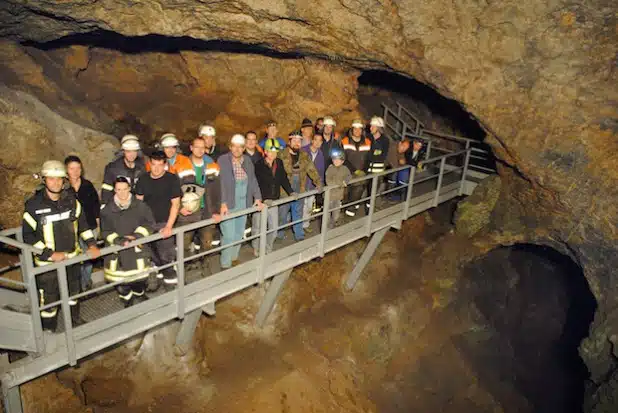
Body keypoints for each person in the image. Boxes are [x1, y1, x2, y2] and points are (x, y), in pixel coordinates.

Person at [22, 160, 100, 331]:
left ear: (64, 180)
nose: (56, 183)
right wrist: (50, 254)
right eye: (51, 179)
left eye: (59, 179)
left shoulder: (72, 202)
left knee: (73, 294)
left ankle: (74, 322)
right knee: (49, 301)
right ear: (44, 180)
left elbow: (84, 226)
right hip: (48, 266)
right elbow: (27, 236)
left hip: (71, 260)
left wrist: (92, 244)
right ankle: (48, 332)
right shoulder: (33, 206)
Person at [100, 177, 155, 307]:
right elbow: (105, 231)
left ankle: (139, 295)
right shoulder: (107, 210)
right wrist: (119, 240)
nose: (122, 193)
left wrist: (136, 236)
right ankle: (128, 301)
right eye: (119, 189)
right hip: (117, 254)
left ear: (130, 188)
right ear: (114, 190)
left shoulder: (141, 206)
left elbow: (150, 224)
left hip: (137, 250)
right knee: (121, 284)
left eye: (125, 189)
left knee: (139, 280)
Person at [135, 150, 182, 290]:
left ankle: (172, 287)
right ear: (149, 164)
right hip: (148, 224)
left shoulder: (171, 179)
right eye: (154, 164)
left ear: (165, 165)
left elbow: (176, 204)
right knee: (152, 255)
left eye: (160, 165)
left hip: (164, 222)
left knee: (166, 256)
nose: (156, 168)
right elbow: (138, 204)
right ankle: (159, 281)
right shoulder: (143, 180)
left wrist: (169, 226)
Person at [218, 134, 263, 269]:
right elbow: (220, 183)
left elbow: (253, 180)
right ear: (230, 147)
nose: (237, 149)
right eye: (234, 146)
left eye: (240, 147)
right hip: (229, 203)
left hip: (243, 203)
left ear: (244, 148)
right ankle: (225, 263)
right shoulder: (223, 160)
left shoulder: (247, 161)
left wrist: (258, 197)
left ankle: (234, 257)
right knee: (228, 235)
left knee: (238, 233)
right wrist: (222, 203)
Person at [177, 136, 222, 254]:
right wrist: (180, 208)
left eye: (203, 147)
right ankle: (184, 268)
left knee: (207, 244)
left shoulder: (212, 166)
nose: (200, 150)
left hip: (208, 210)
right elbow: (174, 190)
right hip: (188, 212)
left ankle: (205, 267)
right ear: (191, 148)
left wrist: (217, 211)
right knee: (183, 244)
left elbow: (218, 190)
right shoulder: (182, 165)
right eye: (197, 147)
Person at [252, 138, 294, 255]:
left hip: (274, 201)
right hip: (261, 202)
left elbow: (283, 179)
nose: (273, 154)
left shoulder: (279, 163)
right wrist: (263, 199)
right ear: (265, 151)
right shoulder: (258, 165)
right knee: (257, 228)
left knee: (274, 229)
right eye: (271, 151)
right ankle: (257, 247)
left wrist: (290, 191)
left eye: (275, 152)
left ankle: (267, 248)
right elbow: (256, 184)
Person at [278, 131, 322, 241]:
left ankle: (299, 234)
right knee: (282, 213)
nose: (297, 143)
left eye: (299, 141)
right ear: (289, 141)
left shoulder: (304, 155)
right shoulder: (281, 154)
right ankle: (279, 234)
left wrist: (318, 182)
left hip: (300, 187)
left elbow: (311, 169)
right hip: (284, 189)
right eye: (294, 140)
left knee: (298, 212)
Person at [65, 155, 100, 291]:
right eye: (72, 168)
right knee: (75, 260)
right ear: (66, 171)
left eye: (78, 168)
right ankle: (77, 286)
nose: (75, 171)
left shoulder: (87, 185)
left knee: (88, 258)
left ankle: (84, 285)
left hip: (90, 227)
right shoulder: (63, 189)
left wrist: (97, 226)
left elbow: (95, 206)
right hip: (72, 230)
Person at [101, 134, 146, 206]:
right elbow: (106, 191)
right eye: (128, 151)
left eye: (134, 151)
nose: (131, 155)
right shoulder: (113, 168)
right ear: (123, 151)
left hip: (135, 208)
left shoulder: (142, 169)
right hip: (117, 207)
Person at [341, 120, 371, 216]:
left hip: (362, 171)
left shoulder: (367, 142)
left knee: (360, 185)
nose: (357, 131)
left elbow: (369, 158)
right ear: (352, 130)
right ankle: (351, 206)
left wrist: (364, 170)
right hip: (348, 171)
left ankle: (352, 206)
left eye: (359, 129)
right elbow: (343, 158)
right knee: (355, 187)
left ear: (362, 130)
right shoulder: (344, 141)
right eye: (355, 129)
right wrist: (354, 170)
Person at [301, 134, 325, 231]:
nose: (317, 142)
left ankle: (305, 225)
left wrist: (320, 183)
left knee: (309, 206)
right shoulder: (303, 150)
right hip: (302, 183)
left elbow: (321, 170)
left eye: (320, 141)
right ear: (312, 140)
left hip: (312, 185)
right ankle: (298, 226)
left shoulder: (320, 154)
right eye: (316, 140)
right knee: (301, 206)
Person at [366, 116, 390, 210]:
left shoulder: (385, 140)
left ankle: (369, 212)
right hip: (366, 168)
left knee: (372, 193)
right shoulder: (367, 138)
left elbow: (382, 156)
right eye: (371, 126)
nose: (371, 128)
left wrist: (371, 156)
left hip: (377, 171)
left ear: (379, 128)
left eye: (373, 126)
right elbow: (366, 153)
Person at [325, 149, 352, 228]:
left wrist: (346, 181)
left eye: (338, 160)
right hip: (329, 196)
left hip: (338, 196)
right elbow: (328, 181)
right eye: (334, 159)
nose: (336, 161)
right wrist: (340, 184)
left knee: (336, 214)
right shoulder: (330, 169)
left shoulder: (345, 169)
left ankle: (332, 224)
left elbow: (349, 175)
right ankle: (326, 229)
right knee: (327, 214)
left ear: (342, 161)